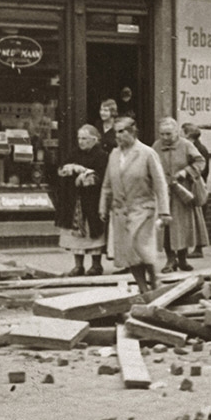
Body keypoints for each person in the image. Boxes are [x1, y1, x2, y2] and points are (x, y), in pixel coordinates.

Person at [100, 117, 170, 295]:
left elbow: (160, 184)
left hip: (143, 208)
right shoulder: (114, 155)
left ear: (132, 132)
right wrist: (103, 206)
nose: (118, 136)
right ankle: (143, 288)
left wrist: (164, 211)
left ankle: (155, 282)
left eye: (122, 131)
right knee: (129, 253)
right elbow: (107, 184)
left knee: (141, 248)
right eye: (116, 132)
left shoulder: (146, 153)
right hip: (121, 211)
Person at [153, 118, 208, 274]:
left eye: (168, 134)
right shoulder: (156, 146)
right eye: (162, 134)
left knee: (183, 227)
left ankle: (182, 259)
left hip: (182, 192)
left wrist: (186, 172)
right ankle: (170, 259)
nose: (165, 137)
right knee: (166, 228)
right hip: (163, 192)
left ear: (176, 132)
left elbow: (200, 161)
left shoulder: (186, 145)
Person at [55, 124, 108, 278]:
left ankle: (96, 265)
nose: (81, 141)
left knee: (93, 234)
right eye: (79, 138)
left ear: (94, 139)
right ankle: (78, 266)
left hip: (92, 200)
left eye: (84, 138)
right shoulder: (73, 153)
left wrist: (86, 175)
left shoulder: (101, 155)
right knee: (75, 236)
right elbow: (61, 170)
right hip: (75, 201)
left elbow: (103, 176)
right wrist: (68, 169)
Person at [181, 122, 210, 258]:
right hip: (190, 186)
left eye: (182, 132)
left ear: (188, 134)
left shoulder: (198, 149)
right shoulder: (191, 147)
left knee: (197, 218)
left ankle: (198, 247)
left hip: (194, 186)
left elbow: (203, 168)